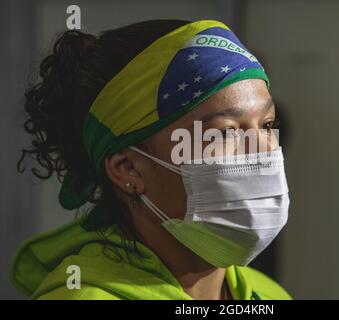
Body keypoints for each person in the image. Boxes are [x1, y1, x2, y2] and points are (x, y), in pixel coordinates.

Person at [9, 19, 292, 300]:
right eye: (225, 133)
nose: (265, 149)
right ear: (128, 168)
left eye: (267, 125)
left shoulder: (266, 294)